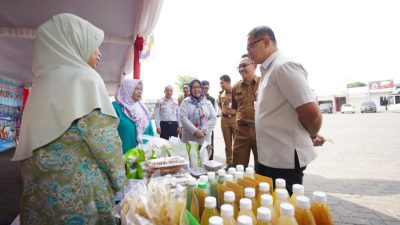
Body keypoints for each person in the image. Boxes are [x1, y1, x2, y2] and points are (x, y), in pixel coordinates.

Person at [12, 13, 126, 225]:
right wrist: (121, 182)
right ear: (73, 43)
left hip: (40, 200)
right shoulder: (85, 79)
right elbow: (105, 145)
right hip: (79, 199)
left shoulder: (40, 85)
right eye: (94, 46)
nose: (99, 53)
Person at [247, 25, 325, 194]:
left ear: (266, 41)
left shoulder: (284, 66)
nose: (248, 51)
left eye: (250, 46)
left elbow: (313, 114)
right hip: (269, 156)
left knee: (285, 210)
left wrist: (311, 135)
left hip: (284, 160)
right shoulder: (269, 70)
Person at [231, 55, 260, 168]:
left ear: (255, 65)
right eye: (239, 67)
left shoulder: (263, 83)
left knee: (262, 167)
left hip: (260, 131)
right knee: (237, 166)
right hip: (241, 131)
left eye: (244, 65)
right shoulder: (236, 87)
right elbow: (235, 107)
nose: (241, 69)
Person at [113, 79, 154, 154]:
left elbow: (150, 131)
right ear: (127, 89)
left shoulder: (143, 108)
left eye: (141, 89)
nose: (140, 91)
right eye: (136, 88)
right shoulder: (115, 107)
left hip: (144, 155)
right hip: (123, 155)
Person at [180, 79, 217, 146]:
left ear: (201, 89)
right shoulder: (185, 102)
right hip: (189, 139)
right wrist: (195, 131)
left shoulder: (207, 102)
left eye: (198, 87)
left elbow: (213, 118)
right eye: (193, 87)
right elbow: (183, 118)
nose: (196, 89)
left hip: (204, 138)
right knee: (190, 156)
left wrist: (204, 130)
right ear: (190, 89)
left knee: (204, 156)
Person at [217, 75, 236, 166]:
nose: (220, 85)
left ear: (228, 82)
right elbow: (220, 106)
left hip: (234, 118)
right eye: (220, 83)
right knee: (227, 144)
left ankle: (237, 163)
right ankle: (229, 163)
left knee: (237, 143)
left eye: (222, 83)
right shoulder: (221, 94)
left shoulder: (236, 91)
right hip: (224, 119)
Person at [201, 80, 217, 159]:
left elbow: (214, 115)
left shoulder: (212, 99)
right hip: (199, 128)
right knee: (200, 147)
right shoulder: (195, 98)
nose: (205, 90)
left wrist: (209, 127)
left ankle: (210, 163)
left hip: (209, 128)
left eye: (206, 88)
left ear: (209, 88)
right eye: (203, 88)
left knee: (209, 146)